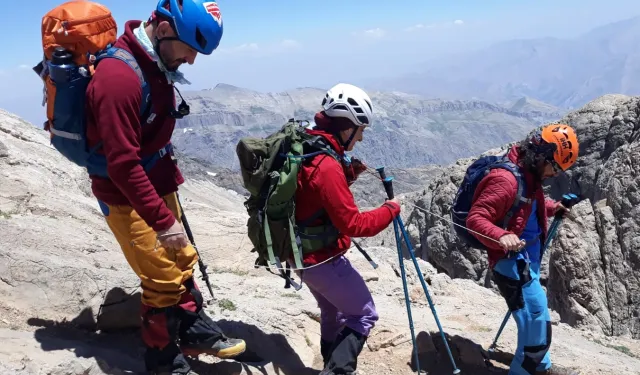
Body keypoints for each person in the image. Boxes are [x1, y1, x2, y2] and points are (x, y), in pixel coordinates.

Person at [85, 1, 245, 374]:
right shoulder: (118, 78)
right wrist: (162, 220)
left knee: (182, 259)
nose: (191, 60)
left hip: (155, 181)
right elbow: (122, 164)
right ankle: (161, 361)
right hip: (127, 197)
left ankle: (192, 331)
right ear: (161, 30)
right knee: (161, 278)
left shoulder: (152, 63)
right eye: (189, 48)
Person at [293, 83, 402, 375]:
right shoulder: (326, 164)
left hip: (299, 255)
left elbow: (313, 197)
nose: (362, 137)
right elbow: (354, 224)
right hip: (323, 260)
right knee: (364, 315)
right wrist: (390, 209)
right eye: (360, 129)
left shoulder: (308, 145)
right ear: (346, 127)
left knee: (334, 311)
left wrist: (348, 174)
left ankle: (329, 363)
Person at [466, 124, 580, 375]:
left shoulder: (528, 173)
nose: (554, 174)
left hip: (527, 261)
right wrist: (501, 235)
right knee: (535, 325)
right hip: (511, 262)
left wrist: (552, 207)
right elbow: (475, 220)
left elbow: (526, 203)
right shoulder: (505, 179)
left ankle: (542, 368)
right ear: (543, 156)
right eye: (555, 167)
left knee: (535, 323)